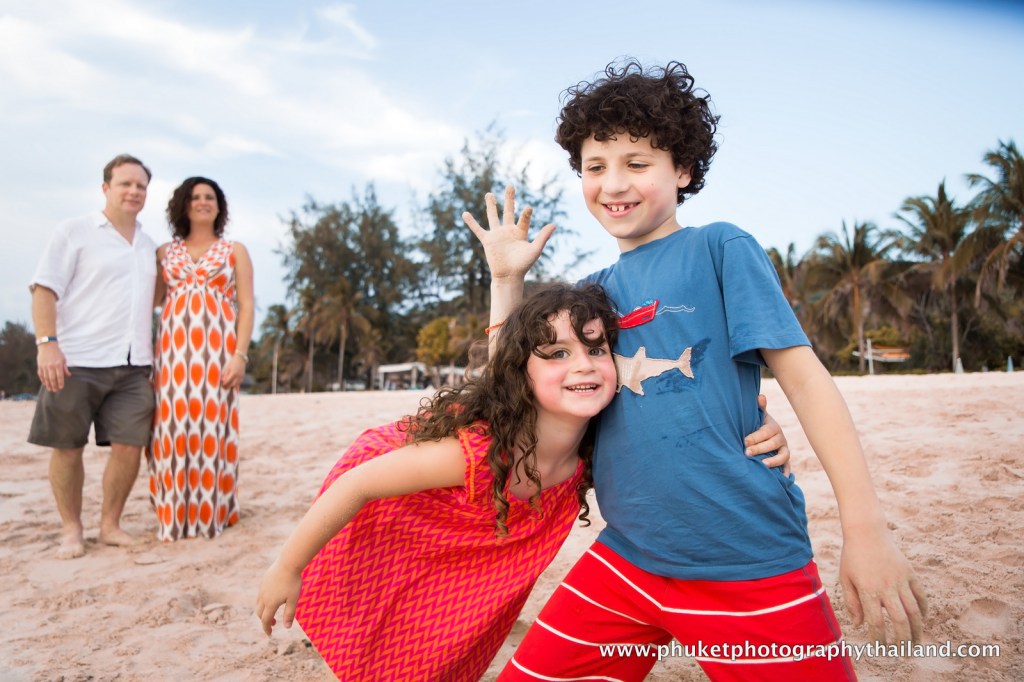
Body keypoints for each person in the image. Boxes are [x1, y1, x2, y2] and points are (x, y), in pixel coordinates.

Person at [466, 59, 927, 681]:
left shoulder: (720, 248)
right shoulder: (590, 293)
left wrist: (865, 530)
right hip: (627, 559)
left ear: (682, 169)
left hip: (748, 560)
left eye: (636, 163)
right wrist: (505, 281)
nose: (613, 183)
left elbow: (804, 379)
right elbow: (514, 392)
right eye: (595, 167)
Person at [255, 283, 790, 681]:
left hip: (486, 528)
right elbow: (358, 485)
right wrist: (287, 567)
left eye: (595, 349)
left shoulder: (601, 443)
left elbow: (687, 433)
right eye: (557, 354)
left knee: (451, 629)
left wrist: (760, 424)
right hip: (400, 503)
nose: (583, 365)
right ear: (522, 374)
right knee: (382, 605)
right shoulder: (474, 451)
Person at [28, 153, 157, 559]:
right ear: (106, 188)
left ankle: (110, 525)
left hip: (133, 365)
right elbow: (44, 289)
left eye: (140, 186)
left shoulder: (149, 246)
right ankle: (72, 529)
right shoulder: (74, 232)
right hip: (75, 360)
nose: (133, 191)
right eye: (125, 184)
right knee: (67, 446)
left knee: (130, 446)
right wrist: (47, 343)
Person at [147, 177, 254, 540]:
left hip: (218, 355)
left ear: (219, 206)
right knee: (171, 430)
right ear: (184, 204)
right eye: (195, 197)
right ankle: (173, 512)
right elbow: (152, 303)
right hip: (172, 356)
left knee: (212, 428)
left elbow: (247, 305)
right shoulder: (164, 252)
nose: (202, 202)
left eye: (210, 197)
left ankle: (213, 512)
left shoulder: (234, 250)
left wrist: (240, 355)